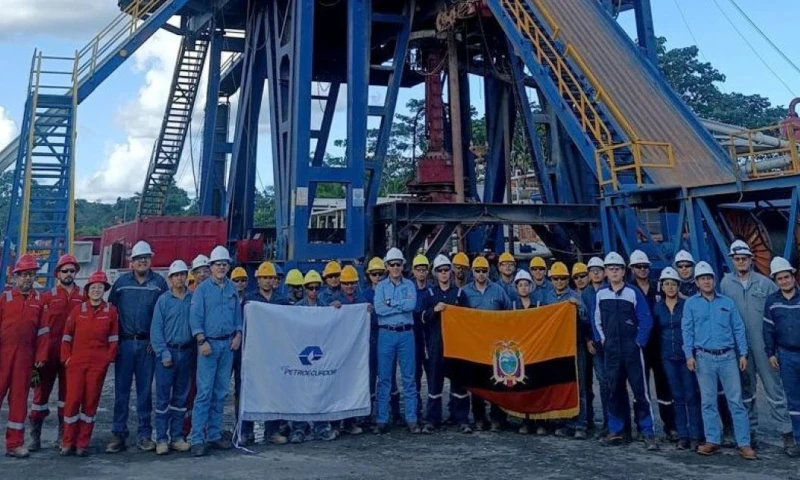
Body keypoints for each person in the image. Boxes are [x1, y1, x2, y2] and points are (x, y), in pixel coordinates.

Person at [720, 239, 793, 450]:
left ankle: (786, 432)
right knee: (746, 390)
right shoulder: (725, 284)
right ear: (732, 260)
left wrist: (775, 346)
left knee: (774, 389)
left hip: (764, 346)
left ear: (751, 260)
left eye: (744, 258)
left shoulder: (765, 284)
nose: (741, 262)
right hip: (740, 348)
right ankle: (750, 432)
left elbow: (778, 313)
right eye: (737, 259)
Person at [682, 261, 755, 460]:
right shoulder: (691, 304)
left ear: (714, 280)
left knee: (736, 401)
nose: (706, 282)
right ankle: (712, 440)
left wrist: (743, 353)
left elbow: (738, 328)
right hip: (703, 358)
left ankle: (744, 443)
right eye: (702, 279)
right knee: (708, 402)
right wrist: (689, 355)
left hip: (728, 357)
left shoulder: (727, 303)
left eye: (709, 278)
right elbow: (687, 331)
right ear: (697, 282)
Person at [106, 240, 168, 453]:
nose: (142, 261)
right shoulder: (121, 283)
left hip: (147, 346)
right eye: (138, 259)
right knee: (121, 392)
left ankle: (144, 435)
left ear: (150, 260)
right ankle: (118, 434)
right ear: (131, 262)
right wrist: (113, 341)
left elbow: (163, 316)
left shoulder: (159, 283)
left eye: (146, 258)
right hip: (124, 344)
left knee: (145, 392)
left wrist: (155, 341)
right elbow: (111, 313)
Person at [593, 252, 658, 450]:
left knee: (640, 391)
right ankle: (617, 430)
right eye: (610, 269)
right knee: (614, 391)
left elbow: (646, 319)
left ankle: (647, 432)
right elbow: (596, 320)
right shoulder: (601, 294)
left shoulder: (633, 293)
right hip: (612, 349)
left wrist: (639, 342)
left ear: (623, 271)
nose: (614, 272)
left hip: (632, 349)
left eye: (617, 269)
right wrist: (602, 340)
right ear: (606, 272)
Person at [188, 246, 242, 457]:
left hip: (227, 346)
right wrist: (201, 340)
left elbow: (237, 315)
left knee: (220, 392)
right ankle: (196, 438)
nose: (221, 267)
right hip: (208, 345)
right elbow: (195, 317)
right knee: (204, 392)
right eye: (217, 264)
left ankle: (213, 434)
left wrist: (238, 334)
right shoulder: (202, 290)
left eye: (224, 264)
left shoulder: (231, 288)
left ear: (228, 266)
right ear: (210, 267)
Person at [29, 254, 84, 451]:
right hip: (49, 353)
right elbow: (36, 327)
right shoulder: (47, 296)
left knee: (67, 397)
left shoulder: (83, 297)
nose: (68, 274)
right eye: (64, 270)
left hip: (71, 355)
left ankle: (63, 435)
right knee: (40, 396)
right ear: (58, 274)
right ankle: (35, 436)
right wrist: (37, 355)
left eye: (72, 271)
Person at [60, 271, 118, 457]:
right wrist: (67, 358)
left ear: (104, 290)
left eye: (100, 287)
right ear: (88, 289)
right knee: (72, 401)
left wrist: (107, 359)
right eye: (93, 287)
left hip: (97, 364)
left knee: (90, 402)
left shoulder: (110, 311)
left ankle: (82, 443)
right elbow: (67, 336)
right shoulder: (78, 310)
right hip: (76, 362)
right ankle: (67, 442)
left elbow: (113, 339)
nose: (96, 290)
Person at [0, 254, 49, 458]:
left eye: (30, 274)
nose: (27, 278)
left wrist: (41, 356)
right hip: (3, 355)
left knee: (19, 400)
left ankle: (15, 444)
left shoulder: (39, 301)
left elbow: (43, 332)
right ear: (15, 277)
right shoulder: (5, 299)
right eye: (23, 274)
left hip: (26, 357)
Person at [629, 249, 678, 442]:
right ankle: (642, 426)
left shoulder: (658, 288)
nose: (642, 269)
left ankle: (670, 427)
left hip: (659, 343)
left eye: (645, 266)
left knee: (664, 387)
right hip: (640, 345)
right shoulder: (629, 289)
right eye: (638, 266)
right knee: (640, 388)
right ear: (632, 269)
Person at [240, 261, 289, 446]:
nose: (268, 281)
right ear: (258, 280)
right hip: (255, 352)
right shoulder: (250, 300)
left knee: (274, 391)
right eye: (264, 278)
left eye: (271, 278)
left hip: (276, 352)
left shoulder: (282, 300)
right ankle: (246, 431)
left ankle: (272, 431)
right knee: (251, 389)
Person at [419, 255, 469, 434]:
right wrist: (434, 310)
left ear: (451, 272)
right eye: (440, 271)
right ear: (435, 273)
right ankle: (433, 419)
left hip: (456, 345)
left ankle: (461, 418)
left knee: (459, 382)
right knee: (434, 381)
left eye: (446, 270)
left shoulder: (460, 294)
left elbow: (468, 318)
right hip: (436, 344)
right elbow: (422, 318)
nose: (444, 273)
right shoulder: (429, 294)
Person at [654, 267, 702, 451]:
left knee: (691, 396)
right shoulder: (658, 308)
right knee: (677, 396)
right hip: (668, 357)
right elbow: (655, 332)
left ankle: (696, 435)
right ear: (662, 286)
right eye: (667, 284)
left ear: (678, 286)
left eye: (673, 284)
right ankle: (683, 435)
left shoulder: (687, 305)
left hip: (686, 357)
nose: (670, 287)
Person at [288, 270, 339, 443]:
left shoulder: (326, 307)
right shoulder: (297, 309)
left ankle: (321, 427)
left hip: (319, 353)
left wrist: (338, 310)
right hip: (302, 354)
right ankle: (299, 428)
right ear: (305, 288)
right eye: (310, 288)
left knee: (320, 390)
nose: (314, 291)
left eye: (317, 288)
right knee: (300, 392)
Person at [373, 248, 420, 435]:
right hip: (386, 334)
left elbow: (411, 305)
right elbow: (379, 309)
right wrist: (400, 306)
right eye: (392, 264)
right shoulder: (380, 287)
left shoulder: (410, 285)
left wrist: (391, 303)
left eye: (398, 264)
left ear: (402, 266)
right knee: (384, 378)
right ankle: (381, 419)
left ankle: (411, 419)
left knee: (409, 378)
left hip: (406, 334)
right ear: (387, 266)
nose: (395, 268)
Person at [463, 255, 512, 432]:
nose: (481, 274)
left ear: (489, 271)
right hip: (476, 344)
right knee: (477, 383)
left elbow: (509, 312)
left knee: (497, 381)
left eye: (484, 270)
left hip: (496, 344)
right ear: (473, 272)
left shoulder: (498, 290)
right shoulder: (465, 292)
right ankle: (479, 418)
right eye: (478, 271)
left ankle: (497, 418)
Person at [150, 260, 194, 455]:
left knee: (181, 398)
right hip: (168, 353)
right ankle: (161, 438)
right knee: (162, 399)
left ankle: (177, 437)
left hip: (187, 352)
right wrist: (162, 352)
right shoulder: (163, 301)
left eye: (182, 274)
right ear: (170, 278)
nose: (179, 278)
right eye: (176, 275)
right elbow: (156, 329)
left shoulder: (192, 299)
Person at [542, 262, 588, 440]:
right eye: (556, 279)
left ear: (568, 279)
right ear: (551, 280)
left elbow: (586, 320)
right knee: (560, 386)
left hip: (575, 347)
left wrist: (578, 308)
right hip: (556, 349)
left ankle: (580, 424)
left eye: (562, 278)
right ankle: (562, 423)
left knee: (579, 387)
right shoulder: (547, 298)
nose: (559, 281)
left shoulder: (575, 297)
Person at [763, 256, 800, 457]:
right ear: (776, 281)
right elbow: (768, 330)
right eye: (780, 278)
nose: (784, 281)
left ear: (793, 276)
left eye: (787, 277)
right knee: (793, 401)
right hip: (786, 356)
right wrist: (770, 353)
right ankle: (798, 439)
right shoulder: (772, 302)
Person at [363, 257, 400, 423]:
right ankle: (369, 413)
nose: (377, 277)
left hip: (387, 334)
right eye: (374, 274)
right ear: (368, 275)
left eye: (380, 273)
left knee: (389, 375)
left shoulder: (391, 291)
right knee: (371, 375)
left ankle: (395, 412)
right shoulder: (365, 295)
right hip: (371, 338)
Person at [338, 265, 368, 435]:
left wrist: (368, 311)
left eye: (352, 283)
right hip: (338, 350)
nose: (349, 286)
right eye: (346, 283)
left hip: (355, 351)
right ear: (341, 284)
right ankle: (335, 423)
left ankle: (350, 422)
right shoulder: (335, 301)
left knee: (352, 386)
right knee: (337, 385)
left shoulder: (361, 301)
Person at [583, 256, 610, 437]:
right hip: (593, 345)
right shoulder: (585, 294)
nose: (596, 274)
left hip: (609, 344)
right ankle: (590, 421)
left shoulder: (609, 290)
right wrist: (587, 340)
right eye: (593, 271)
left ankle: (610, 423)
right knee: (596, 383)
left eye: (599, 271)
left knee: (608, 383)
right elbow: (584, 320)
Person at [411, 254, 431, 416]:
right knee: (415, 372)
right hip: (413, 334)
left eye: (424, 270)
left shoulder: (431, 290)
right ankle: (416, 407)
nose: (421, 273)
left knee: (431, 371)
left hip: (428, 333)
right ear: (414, 271)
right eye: (419, 270)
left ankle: (432, 408)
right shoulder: (408, 288)